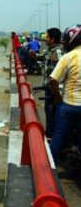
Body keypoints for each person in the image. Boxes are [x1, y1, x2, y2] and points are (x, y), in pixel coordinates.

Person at [49, 24, 81, 163]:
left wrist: (58, 98)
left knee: (58, 137)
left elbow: (54, 80)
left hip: (69, 104)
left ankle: (48, 171)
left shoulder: (68, 57)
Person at [31, 28, 63, 139]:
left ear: (53, 39)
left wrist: (57, 93)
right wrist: (34, 56)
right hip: (49, 87)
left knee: (53, 113)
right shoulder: (50, 50)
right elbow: (44, 60)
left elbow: (59, 73)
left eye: (48, 37)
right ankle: (50, 135)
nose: (45, 39)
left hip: (55, 88)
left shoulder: (58, 52)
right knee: (49, 112)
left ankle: (52, 138)